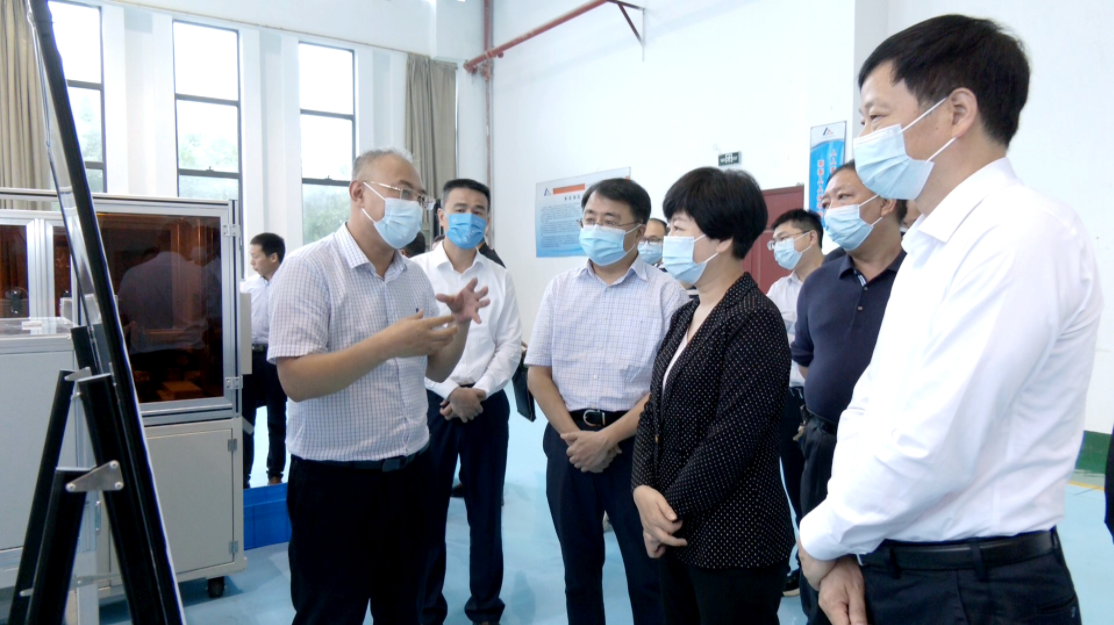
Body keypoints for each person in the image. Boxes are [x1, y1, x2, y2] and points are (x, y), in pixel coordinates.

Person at [799, 15, 1102, 625]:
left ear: (957, 112)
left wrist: (820, 538)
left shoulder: (1020, 235)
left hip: (976, 588)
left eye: (876, 117)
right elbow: (870, 405)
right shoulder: (932, 247)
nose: (866, 138)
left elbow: (932, 446)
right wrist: (842, 546)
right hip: (895, 562)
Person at [268, 148, 490, 624]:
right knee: (330, 614)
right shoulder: (309, 269)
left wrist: (459, 324)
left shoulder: (414, 277)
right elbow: (296, 380)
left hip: (410, 475)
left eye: (418, 196)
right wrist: (387, 344)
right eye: (401, 191)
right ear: (358, 192)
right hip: (334, 484)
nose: (412, 204)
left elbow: (435, 369)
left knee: (404, 610)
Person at [632, 167, 795, 625]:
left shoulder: (753, 318)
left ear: (722, 239)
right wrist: (642, 489)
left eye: (678, 228)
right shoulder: (686, 315)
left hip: (735, 541)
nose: (668, 241)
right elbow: (653, 412)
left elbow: (732, 440)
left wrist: (664, 515)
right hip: (680, 534)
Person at [527, 178, 687, 625]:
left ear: (638, 230)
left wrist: (607, 438)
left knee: (648, 572)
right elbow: (538, 373)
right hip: (568, 443)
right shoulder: (560, 288)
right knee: (578, 571)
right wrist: (576, 439)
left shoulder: (667, 294)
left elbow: (666, 387)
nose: (597, 228)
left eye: (611, 221)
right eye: (590, 219)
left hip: (637, 447)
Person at [792, 161, 906, 624]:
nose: (830, 209)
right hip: (823, 443)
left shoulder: (923, 276)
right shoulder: (820, 281)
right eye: (826, 200)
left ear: (886, 201)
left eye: (844, 197)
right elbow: (806, 357)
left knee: (883, 576)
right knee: (821, 570)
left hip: (892, 450)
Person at [412, 179, 523, 625]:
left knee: (486, 512)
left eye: (479, 210)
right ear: (441, 215)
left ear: (488, 220)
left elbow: (510, 345)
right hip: (431, 405)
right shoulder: (415, 272)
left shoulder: (499, 276)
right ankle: (426, 608)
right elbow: (409, 347)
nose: (470, 218)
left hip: (485, 404)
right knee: (426, 514)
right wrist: (450, 392)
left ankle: (485, 607)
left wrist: (478, 391)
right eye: (460, 208)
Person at [764, 208, 825, 597]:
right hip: (789, 402)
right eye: (775, 241)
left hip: (828, 403)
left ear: (811, 237)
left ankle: (839, 565)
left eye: (784, 238)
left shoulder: (838, 279)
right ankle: (806, 567)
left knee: (830, 488)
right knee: (798, 487)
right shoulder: (778, 290)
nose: (778, 247)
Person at [241, 232, 289, 487]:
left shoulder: (291, 285)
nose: (252, 262)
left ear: (273, 257)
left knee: (276, 419)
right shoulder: (246, 287)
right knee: (244, 420)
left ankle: (275, 474)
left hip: (276, 358)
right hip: (248, 357)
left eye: (255, 256)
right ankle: (242, 476)